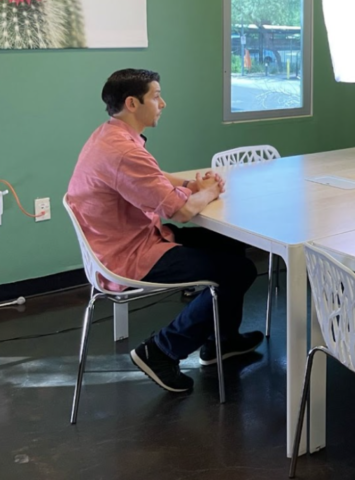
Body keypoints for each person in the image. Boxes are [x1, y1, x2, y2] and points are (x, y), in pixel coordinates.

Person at [67, 69, 262, 393]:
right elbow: (181, 211)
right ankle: (160, 350)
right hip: (129, 255)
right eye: (156, 96)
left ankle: (222, 341)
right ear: (133, 102)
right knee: (238, 271)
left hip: (124, 239)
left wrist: (190, 184)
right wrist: (209, 190)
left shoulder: (109, 135)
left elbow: (155, 177)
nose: (163, 103)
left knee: (228, 242)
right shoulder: (124, 152)